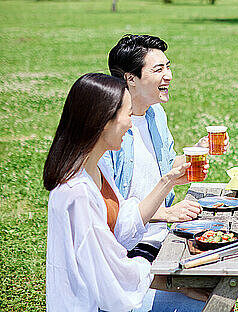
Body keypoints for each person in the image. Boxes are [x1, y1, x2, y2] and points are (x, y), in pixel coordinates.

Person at [44, 73, 206, 312]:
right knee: (209, 304)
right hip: (97, 304)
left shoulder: (96, 168)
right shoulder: (76, 193)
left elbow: (124, 225)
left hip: (114, 291)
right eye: (128, 115)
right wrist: (174, 282)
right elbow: (111, 273)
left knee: (207, 297)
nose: (131, 125)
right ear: (102, 120)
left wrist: (168, 181)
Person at [100, 34, 228, 263]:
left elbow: (165, 166)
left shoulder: (155, 114)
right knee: (206, 288)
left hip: (164, 233)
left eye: (168, 67)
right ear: (131, 78)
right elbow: (109, 211)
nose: (168, 76)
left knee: (225, 250)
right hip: (129, 246)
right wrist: (167, 214)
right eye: (158, 70)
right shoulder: (109, 129)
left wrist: (199, 150)